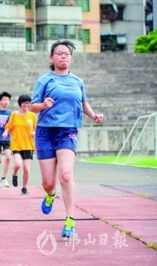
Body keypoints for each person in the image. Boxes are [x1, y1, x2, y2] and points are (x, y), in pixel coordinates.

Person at [30, 40, 104, 238]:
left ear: (70, 58)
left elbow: (83, 103)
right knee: (48, 182)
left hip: (68, 131)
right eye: (59, 53)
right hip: (45, 132)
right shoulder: (45, 80)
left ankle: (70, 219)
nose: (63, 56)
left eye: (67, 54)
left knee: (66, 174)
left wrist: (93, 115)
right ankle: (50, 195)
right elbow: (32, 107)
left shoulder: (77, 81)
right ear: (51, 57)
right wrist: (43, 105)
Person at [2, 94, 37, 194]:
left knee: (26, 168)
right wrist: (5, 132)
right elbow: (9, 127)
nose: (26, 105)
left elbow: (38, 130)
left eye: (28, 103)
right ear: (20, 104)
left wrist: (34, 133)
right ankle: (14, 174)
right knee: (18, 164)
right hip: (16, 144)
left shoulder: (32, 116)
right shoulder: (14, 114)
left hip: (28, 145)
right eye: (24, 103)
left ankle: (24, 188)